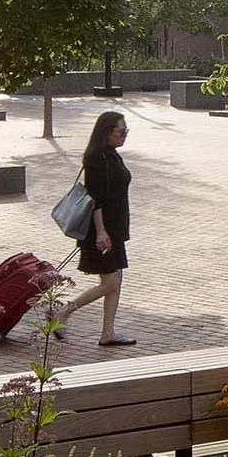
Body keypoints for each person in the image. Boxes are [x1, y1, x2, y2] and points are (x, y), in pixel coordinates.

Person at [60, 110, 136, 346]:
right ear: (106, 132)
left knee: (116, 280)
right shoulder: (96, 158)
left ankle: (108, 333)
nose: (124, 136)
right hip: (101, 231)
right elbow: (96, 199)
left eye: (126, 131)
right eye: (120, 132)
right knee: (110, 282)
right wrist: (101, 232)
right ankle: (64, 312)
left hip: (115, 228)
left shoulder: (112, 155)